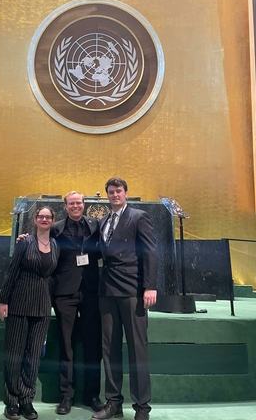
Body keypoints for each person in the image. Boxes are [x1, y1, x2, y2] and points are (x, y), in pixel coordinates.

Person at [92, 177, 158, 420]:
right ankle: (113, 402)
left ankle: (142, 407)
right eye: (111, 192)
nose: (114, 195)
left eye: (118, 191)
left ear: (126, 193)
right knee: (109, 349)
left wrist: (149, 287)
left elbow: (150, 252)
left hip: (132, 291)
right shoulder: (104, 220)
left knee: (137, 349)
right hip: (107, 291)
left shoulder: (139, 217)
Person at [0, 207, 59, 420]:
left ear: (53, 220)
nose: (44, 219)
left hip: (42, 307)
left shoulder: (55, 245)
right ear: (35, 220)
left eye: (48, 217)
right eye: (40, 216)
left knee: (33, 358)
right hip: (19, 303)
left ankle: (26, 400)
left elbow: (52, 279)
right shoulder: (25, 243)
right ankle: (12, 401)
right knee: (14, 356)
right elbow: (11, 271)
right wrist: (3, 301)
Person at [52, 191, 103, 415]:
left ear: (84, 205)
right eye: (71, 203)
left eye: (79, 203)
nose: (75, 206)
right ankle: (66, 396)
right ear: (66, 206)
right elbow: (43, 243)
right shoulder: (56, 228)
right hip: (64, 293)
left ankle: (92, 395)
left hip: (91, 291)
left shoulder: (96, 226)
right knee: (67, 345)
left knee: (94, 345)